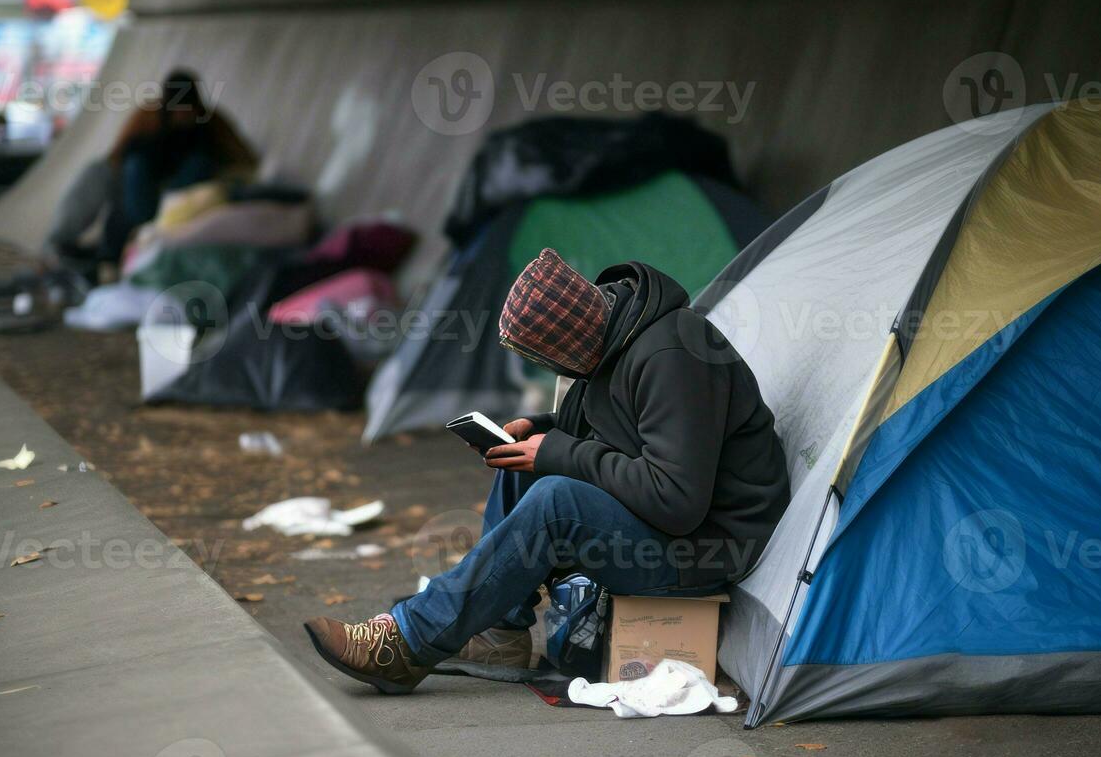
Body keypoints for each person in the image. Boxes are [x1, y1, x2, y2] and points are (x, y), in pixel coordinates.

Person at [306, 248, 790, 693]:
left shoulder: (674, 356)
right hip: (676, 532)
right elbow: (624, 432)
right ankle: (501, 632)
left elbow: (677, 500)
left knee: (557, 497)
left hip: (707, 551)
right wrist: (542, 430)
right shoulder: (615, 334)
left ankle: (406, 643)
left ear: (570, 342)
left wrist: (556, 450)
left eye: (547, 359)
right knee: (523, 462)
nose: (550, 369)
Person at [42, 69, 258, 268]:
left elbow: (246, 164)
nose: (183, 116)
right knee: (100, 172)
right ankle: (57, 246)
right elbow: (116, 160)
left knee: (199, 165)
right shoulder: (148, 118)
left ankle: (143, 240)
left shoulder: (212, 124)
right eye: (177, 111)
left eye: (188, 110)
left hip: (181, 202)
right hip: (139, 194)